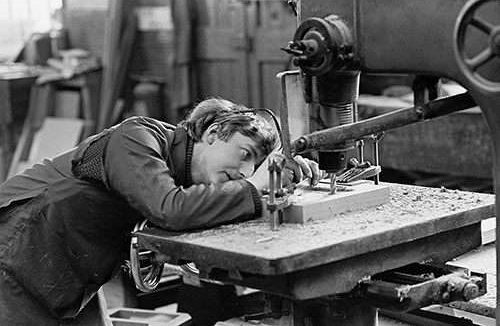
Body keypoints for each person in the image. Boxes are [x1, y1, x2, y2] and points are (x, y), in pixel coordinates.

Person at [0, 97, 321, 326]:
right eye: (244, 154)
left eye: (255, 167)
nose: (246, 171)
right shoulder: (137, 137)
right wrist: (256, 187)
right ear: (212, 133)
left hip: (68, 275)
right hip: (16, 257)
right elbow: (169, 210)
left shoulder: (192, 183)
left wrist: (281, 183)